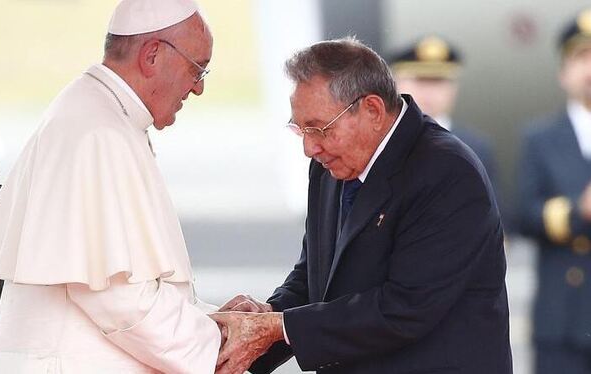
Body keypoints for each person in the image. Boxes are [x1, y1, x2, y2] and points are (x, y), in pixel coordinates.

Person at [211, 37, 512, 374]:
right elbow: (317, 276)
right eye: (300, 130)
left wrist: (279, 327)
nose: (310, 147)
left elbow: (405, 308)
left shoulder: (447, 173)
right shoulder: (331, 165)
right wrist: (266, 315)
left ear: (372, 110)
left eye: (320, 128)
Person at [0, 0, 220, 372]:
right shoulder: (97, 130)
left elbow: (130, 280)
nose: (197, 88)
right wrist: (216, 343)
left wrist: (216, 318)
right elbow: (117, 296)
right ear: (151, 55)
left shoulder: (99, 113)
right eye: (198, 70)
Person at [516, 8, 591, 374]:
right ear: (564, 72)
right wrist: (579, 211)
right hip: (563, 318)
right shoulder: (540, 138)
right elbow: (524, 213)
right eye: (582, 56)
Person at [389, 35, 502, 220]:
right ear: (395, 83)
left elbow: (497, 222)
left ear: (454, 88)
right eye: (419, 80)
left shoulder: (477, 147)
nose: (428, 91)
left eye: (438, 81)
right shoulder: (378, 143)